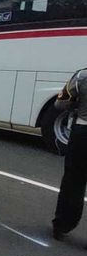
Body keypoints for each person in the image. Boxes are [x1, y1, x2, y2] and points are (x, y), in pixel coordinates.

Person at [52, 69, 87, 241]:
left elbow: (61, 103)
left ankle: (62, 225)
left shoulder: (82, 76)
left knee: (73, 181)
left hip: (82, 132)